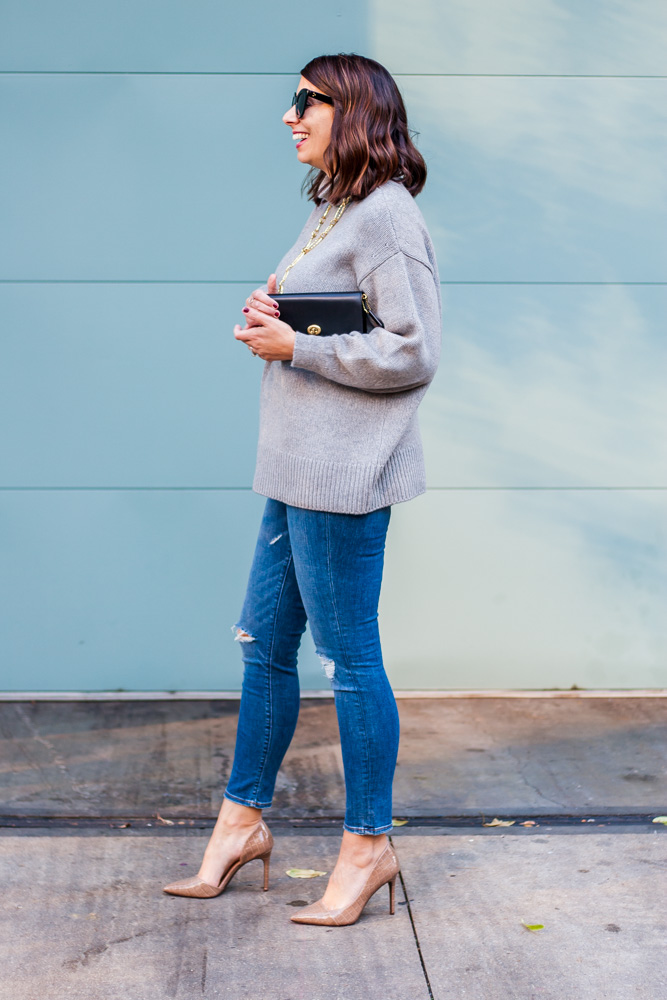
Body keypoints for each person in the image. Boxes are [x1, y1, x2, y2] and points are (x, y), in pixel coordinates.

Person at [163, 52, 441, 927]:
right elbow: (335, 315)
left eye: (306, 102)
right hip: (293, 469)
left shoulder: (387, 217)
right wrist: (276, 313)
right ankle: (240, 825)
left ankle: (367, 848)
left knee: (348, 661)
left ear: (351, 110)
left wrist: (301, 347)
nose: (289, 116)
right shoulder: (334, 208)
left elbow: (413, 349)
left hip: (342, 478)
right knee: (261, 645)